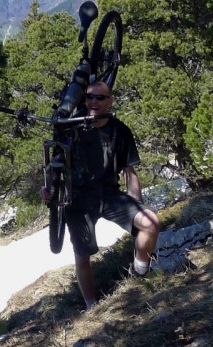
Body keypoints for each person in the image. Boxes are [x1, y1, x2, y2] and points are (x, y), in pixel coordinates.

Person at [40, 81, 161, 310]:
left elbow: (129, 171)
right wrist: (47, 190)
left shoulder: (120, 130)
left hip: (109, 195)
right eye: (89, 97)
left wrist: (136, 205)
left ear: (110, 101)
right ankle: (92, 308)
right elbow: (53, 165)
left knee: (151, 223)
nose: (94, 101)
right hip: (76, 201)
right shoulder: (71, 128)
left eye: (100, 97)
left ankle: (140, 272)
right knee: (82, 255)